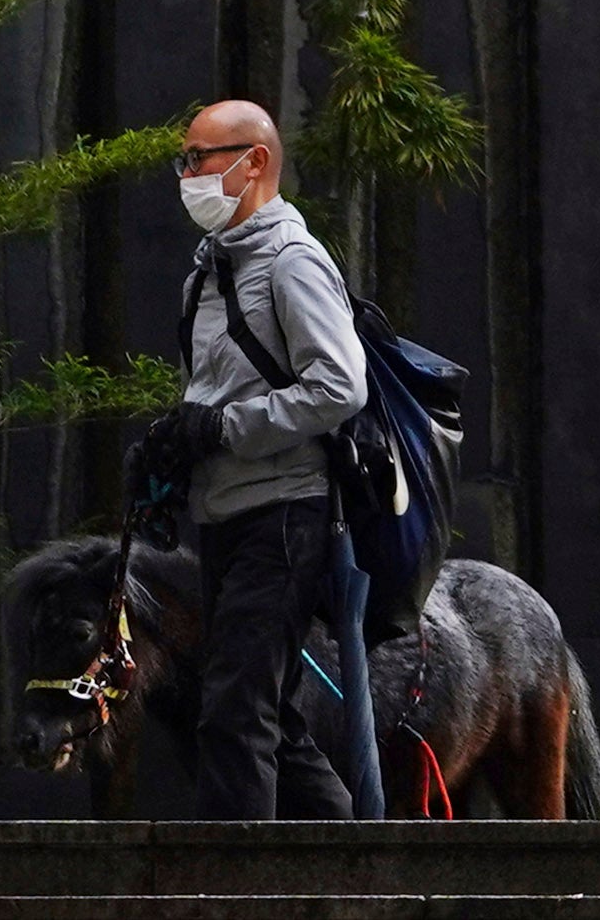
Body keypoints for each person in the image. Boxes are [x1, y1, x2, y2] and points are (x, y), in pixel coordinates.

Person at [151, 96, 371, 819]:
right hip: (225, 513)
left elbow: (341, 386)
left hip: (284, 512)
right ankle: (355, 869)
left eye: (200, 159)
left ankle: (241, 893)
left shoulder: (292, 263)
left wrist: (224, 430)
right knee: (268, 717)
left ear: (255, 164)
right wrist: (171, 450)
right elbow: (212, 395)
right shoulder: (206, 273)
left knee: (235, 712)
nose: (188, 175)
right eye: (183, 160)